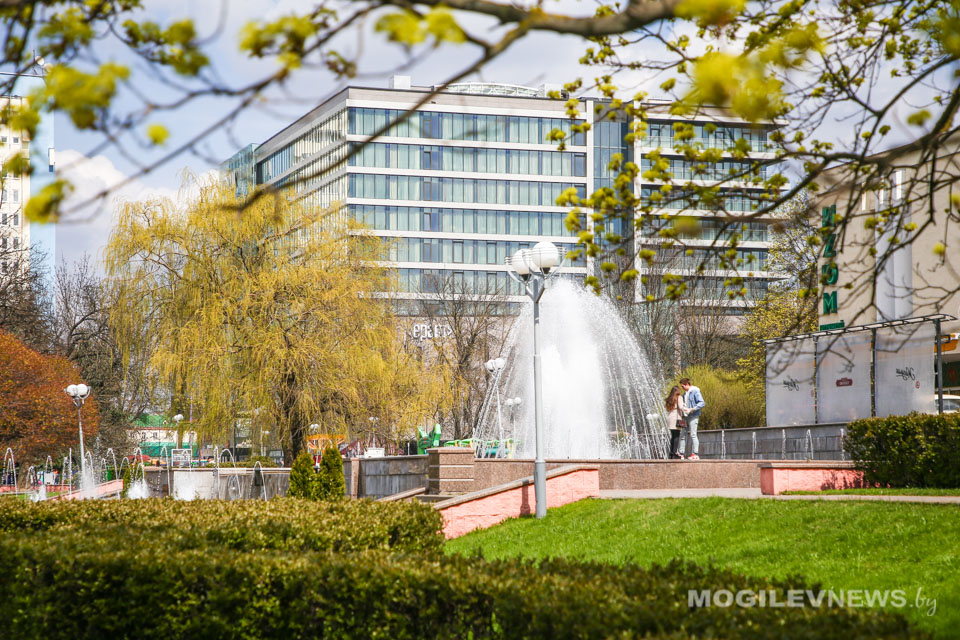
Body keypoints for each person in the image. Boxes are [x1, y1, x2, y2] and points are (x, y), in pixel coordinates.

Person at [679, 377, 705, 460]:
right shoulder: (685, 393)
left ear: (687, 384)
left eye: (683, 386)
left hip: (693, 416)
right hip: (684, 416)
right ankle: (681, 453)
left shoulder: (695, 391)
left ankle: (695, 454)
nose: (682, 388)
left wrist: (692, 409)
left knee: (693, 434)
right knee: (682, 434)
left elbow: (702, 403)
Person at [664, 385, 687, 459]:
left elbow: (667, 409)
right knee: (677, 436)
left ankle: (671, 453)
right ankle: (674, 453)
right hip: (676, 418)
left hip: (670, 418)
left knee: (673, 436)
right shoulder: (679, 397)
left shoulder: (669, 399)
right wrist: (688, 409)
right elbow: (681, 407)